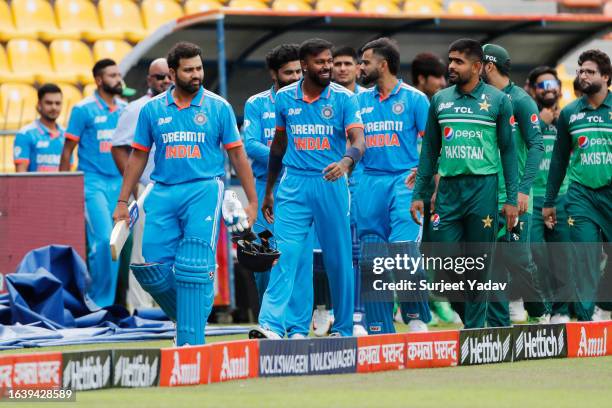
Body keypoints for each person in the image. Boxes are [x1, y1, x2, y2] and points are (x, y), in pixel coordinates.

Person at [113, 42, 258, 346]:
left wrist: (252, 200)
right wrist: (122, 201)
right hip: (162, 190)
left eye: (199, 68)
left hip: (204, 187)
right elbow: (138, 156)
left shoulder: (218, 106)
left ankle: (190, 343)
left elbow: (238, 155)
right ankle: (190, 314)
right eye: (189, 70)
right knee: (147, 267)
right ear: (173, 72)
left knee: (193, 266)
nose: (196, 75)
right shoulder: (152, 109)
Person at [250, 38, 366, 339]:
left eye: (330, 61)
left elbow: (358, 142)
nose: (328, 67)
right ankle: (273, 326)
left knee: (338, 259)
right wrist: (269, 190)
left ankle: (342, 327)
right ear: (304, 66)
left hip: (331, 182)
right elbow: (278, 145)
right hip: (294, 184)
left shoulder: (344, 98)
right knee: (284, 254)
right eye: (321, 62)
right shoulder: (285, 98)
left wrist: (345, 162)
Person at [410, 38, 519, 329]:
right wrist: (419, 194)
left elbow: (509, 152)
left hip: (483, 189)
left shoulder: (499, 101)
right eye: (451, 60)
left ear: (477, 66)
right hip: (447, 191)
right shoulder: (440, 100)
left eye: (458, 61)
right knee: (442, 263)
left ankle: (474, 333)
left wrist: (510, 200)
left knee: (479, 266)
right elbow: (430, 151)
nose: (451, 66)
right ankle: (469, 317)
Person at [356, 37, 431, 334]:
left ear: (383, 65)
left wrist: (423, 176)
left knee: (403, 251)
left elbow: (431, 144)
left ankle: (414, 316)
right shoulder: (359, 100)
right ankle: (379, 326)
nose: (361, 67)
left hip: (405, 181)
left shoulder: (414, 99)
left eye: (365, 62)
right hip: (369, 181)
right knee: (372, 256)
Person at [543, 49, 612, 321]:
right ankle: (585, 321)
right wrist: (549, 202)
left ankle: (604, 305)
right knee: (583, 257)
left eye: (590, 71)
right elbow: (558, 162)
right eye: (580, 70)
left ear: (606, 77)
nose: (583, 75)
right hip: (581, 195)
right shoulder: (570, 112)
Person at [481, 44, 546, 326]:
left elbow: (537, 145)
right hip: (483, 196)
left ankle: (540, 311)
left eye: (476, 63)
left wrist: (522, 189)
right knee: (489, 264)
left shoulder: (520, 100)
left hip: (515, 198)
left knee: (519, 259)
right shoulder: (478, 99)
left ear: (489, 66)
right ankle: (498, 326)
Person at [59, 59, 127, 307]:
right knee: (104, 240)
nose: (118, 79)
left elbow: (130, 150)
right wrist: (63, 188)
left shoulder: (124, 108)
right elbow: (67, 151)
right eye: (112, 75)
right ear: (99, 80)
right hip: (92, 182)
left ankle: (104, 303)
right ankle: (96, 303)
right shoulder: (83, 109)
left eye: (118, 74)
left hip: (118, 183)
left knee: (115, 244)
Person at [241, 44, 303, 306]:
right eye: (289, 72)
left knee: (300, 257)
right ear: (274, 74)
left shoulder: (309, 101)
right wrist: (288, 157)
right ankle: (269, 317)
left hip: (300, 186)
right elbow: (251, 144)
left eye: (299, 71)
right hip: (266, 186)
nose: (296, 77)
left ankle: (300, 316)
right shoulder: (256, 103)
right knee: (264, 256)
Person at [111, 58, 172, 310]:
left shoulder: (179, 105)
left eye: (169, 76)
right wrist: (134, 187)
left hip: (175, 189)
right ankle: (139, 308)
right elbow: (118, 148)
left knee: (170, 252)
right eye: (160, 77)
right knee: (142, 251)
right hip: (147, 190)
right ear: (149, 80)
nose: (166, 81)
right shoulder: (136, 108)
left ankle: (168, 308)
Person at [410, 51, 458, 326]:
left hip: (435, 189)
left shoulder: (440, 106)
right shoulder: (413, 104)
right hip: (409, 189)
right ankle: (404, 302)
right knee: (407, 247)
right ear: (421, 79)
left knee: (435, 247)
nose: (442, 81)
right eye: (437, 76)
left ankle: (437, 299)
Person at [326, 45, 368, 336]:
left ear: (358, 68)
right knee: (334, 253)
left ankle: (361, 314)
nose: (341, 68)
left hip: (364, 183)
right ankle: (332, 311)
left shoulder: (368, 100)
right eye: (336, 63)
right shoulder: (323, 98)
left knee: (362, 251)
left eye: (347, 64)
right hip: (332, 184)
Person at [527, 66, 572, 324]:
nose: (549, 89)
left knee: (563, 256)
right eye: (542, 86)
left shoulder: (568, 116)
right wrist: (540, 123)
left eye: (552, 84)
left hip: (562, 197)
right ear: (533, 90)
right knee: (536, 255)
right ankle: (541, 308)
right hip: (533, 198)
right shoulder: (526, 114)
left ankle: (561, 311)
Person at [13, 84, 65, 172]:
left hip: (59, 186)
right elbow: (20, 175)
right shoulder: (25, 134)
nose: (54, 107)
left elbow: (68, 173)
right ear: (39, 105)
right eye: (49, 103)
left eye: (57, 103)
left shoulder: (65, 134)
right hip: (34, 186)